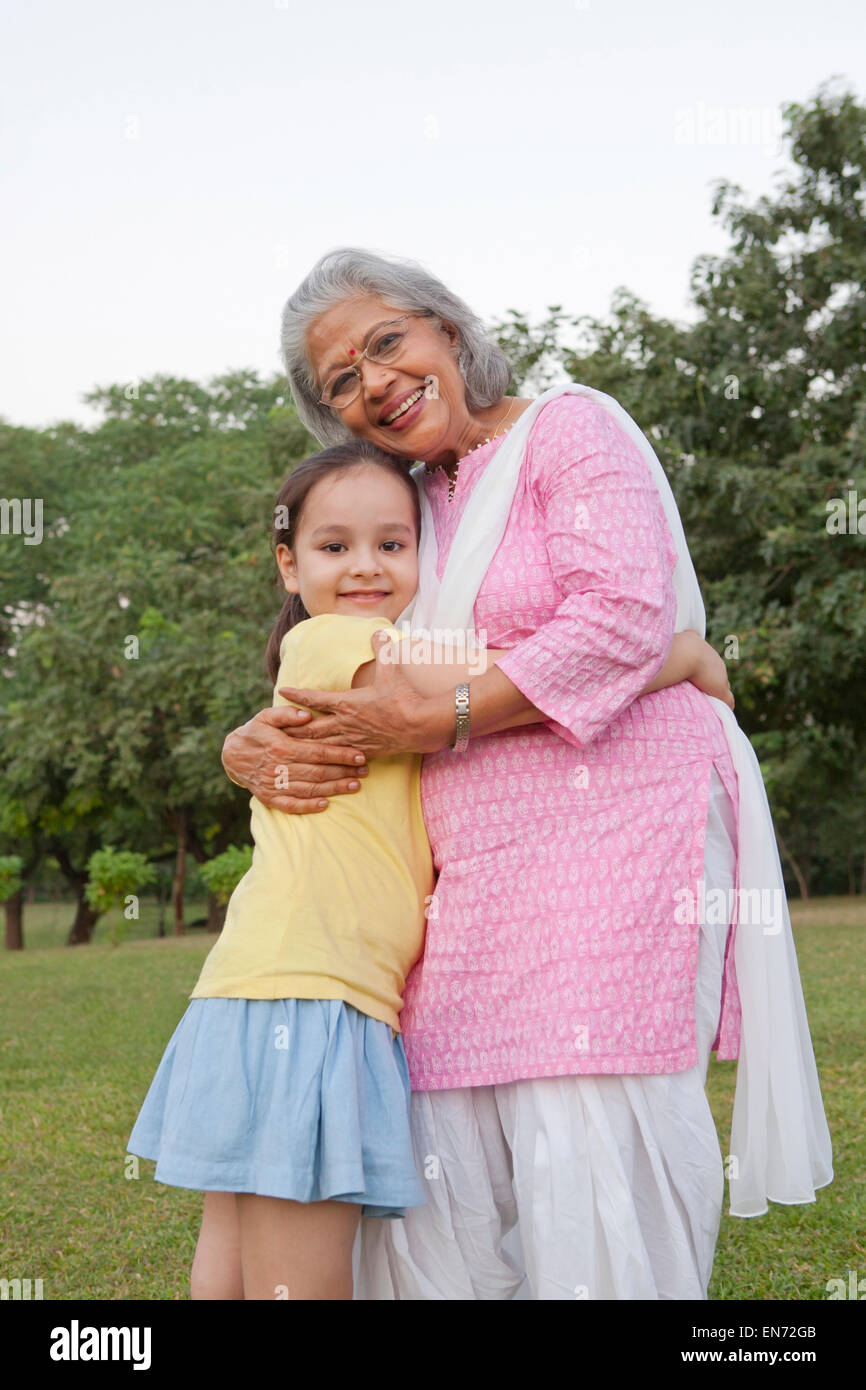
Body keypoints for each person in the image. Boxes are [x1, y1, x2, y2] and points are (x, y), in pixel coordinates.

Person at [221, 248, 832, 1299]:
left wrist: (442, 714)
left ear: (447, 333)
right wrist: (245, 741)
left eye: (385, 342)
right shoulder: (405, 502)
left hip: (618, 829)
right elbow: (340, 640)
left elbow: (620, 615)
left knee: (587, 1123)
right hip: (461, 873)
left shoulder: (570, 429)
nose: (372, 379)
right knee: (443, 1138)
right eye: (339, 379)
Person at [126, 436, 722, 1301]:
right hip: (314, 992)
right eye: (336, 547)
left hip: (260, 987)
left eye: (392, 545)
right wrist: (682, 657)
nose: (367, 566)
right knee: (306, 1273)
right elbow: (509, 680)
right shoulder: (344, 644)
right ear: (288, 566)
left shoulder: (336, 656)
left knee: (236, 1260)